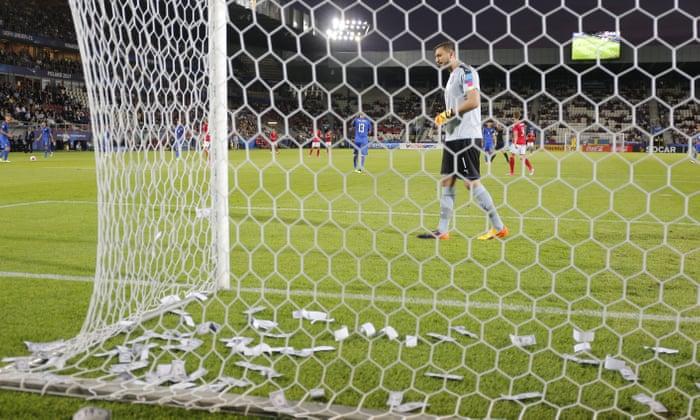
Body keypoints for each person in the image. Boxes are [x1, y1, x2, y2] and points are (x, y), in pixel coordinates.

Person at [417, 41, 508, 241]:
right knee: (447, 180)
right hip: (453, 136)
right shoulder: (451, 77)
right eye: (436, 57)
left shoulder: (467, 72)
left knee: (470, 183)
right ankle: (442, 230)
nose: (437, 60)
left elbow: (473, 101)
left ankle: (499, 226)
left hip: (467, 135)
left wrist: (448, 113)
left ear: (452, 54)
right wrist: (445, 117)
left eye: (440, 55)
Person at [508, 111, 534, 176]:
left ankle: (512, 172)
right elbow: (523, 133)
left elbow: (515, 136)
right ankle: (531, 168)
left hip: (518, 142)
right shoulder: (522, 124)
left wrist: (515, 143)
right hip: (523, 142)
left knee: (511, 156)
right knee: (522, 157)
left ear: (514, 116)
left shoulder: (515, 125)